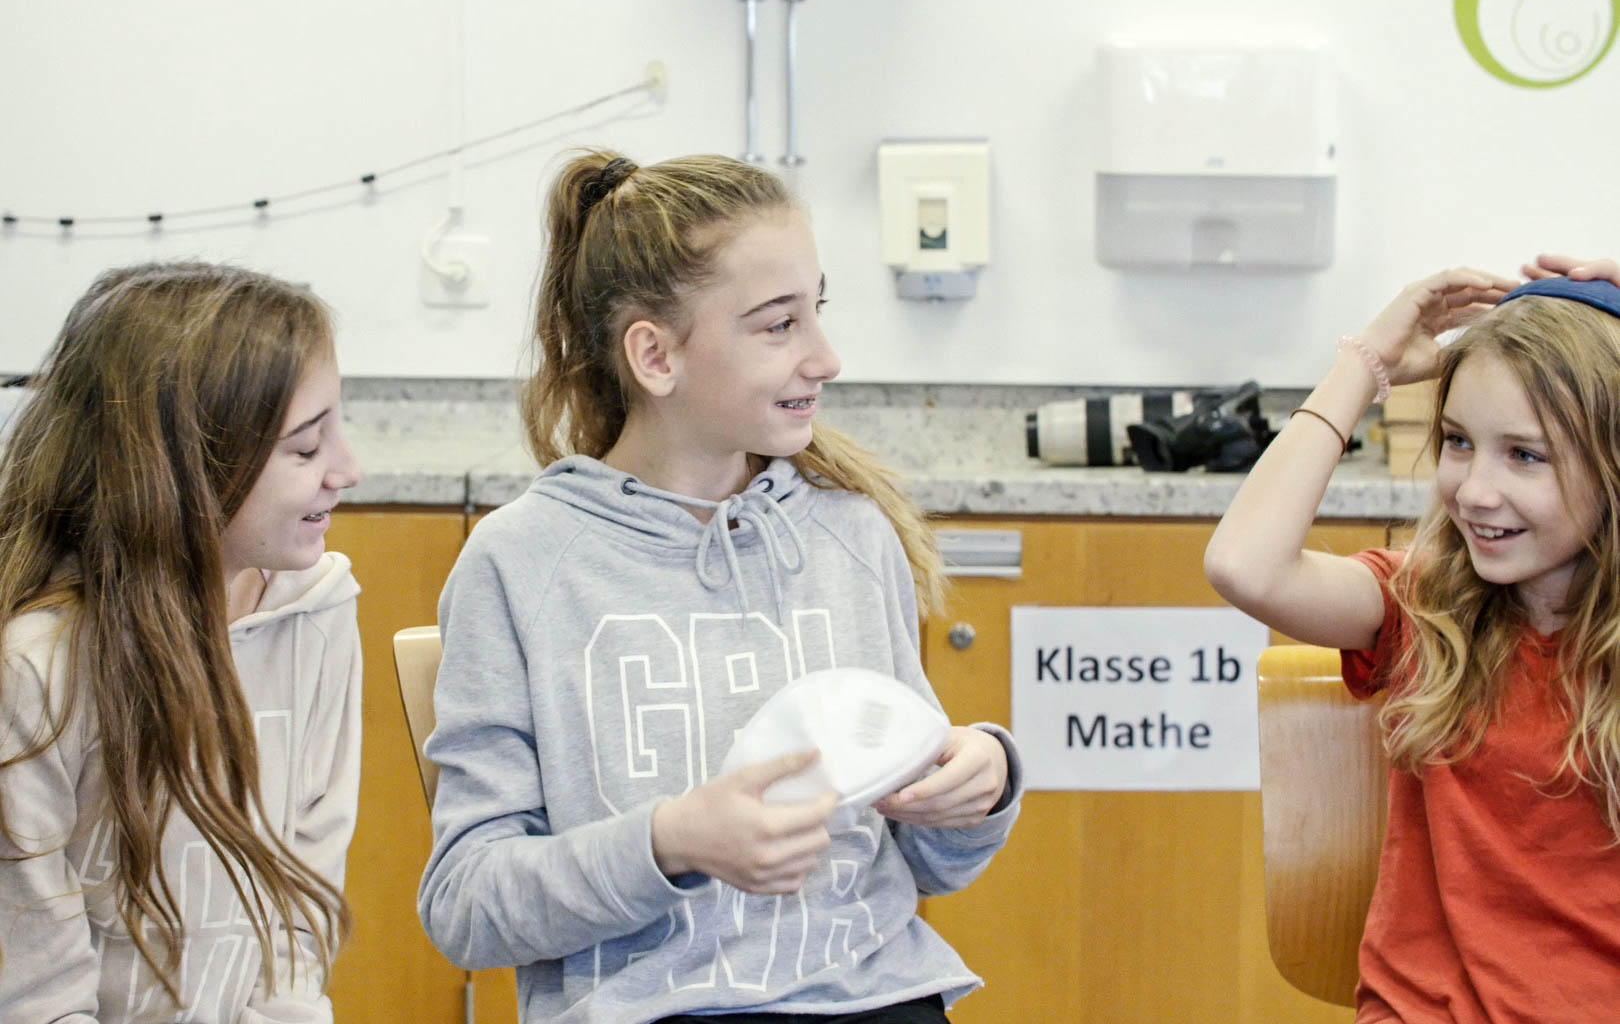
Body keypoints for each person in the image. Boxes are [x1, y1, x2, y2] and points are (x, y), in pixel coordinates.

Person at [417, 151, 1023, 1024]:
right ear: (655, 356)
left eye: (817, 311)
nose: (827, 357)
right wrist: (667, 845)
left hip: (882, 999)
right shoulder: (520, 563)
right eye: (778, 326)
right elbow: (468, 905)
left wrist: (981, 785)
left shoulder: (851, 535)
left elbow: (929, 864)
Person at [1204, 254, 1620, 1022]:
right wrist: (1364, 365)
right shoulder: (1425, 605)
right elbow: (1244, 565)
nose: (1475, 490)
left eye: (1524, 455)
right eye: (1459, 442)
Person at [0, 262, 366, 1023]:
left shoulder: (320, 612)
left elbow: (304, 908)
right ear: (181, 473)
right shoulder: (34, 670)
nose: (348, 471)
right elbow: (34, 993)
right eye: (304, 450)